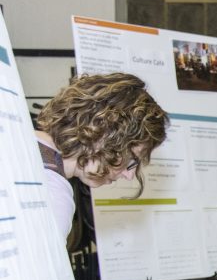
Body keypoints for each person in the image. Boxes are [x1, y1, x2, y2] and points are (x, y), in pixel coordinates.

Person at [34, 72, 167, 240]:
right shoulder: (54, 197)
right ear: (105, 137)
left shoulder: (14, 137)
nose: (129, 174)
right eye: (132, 160)